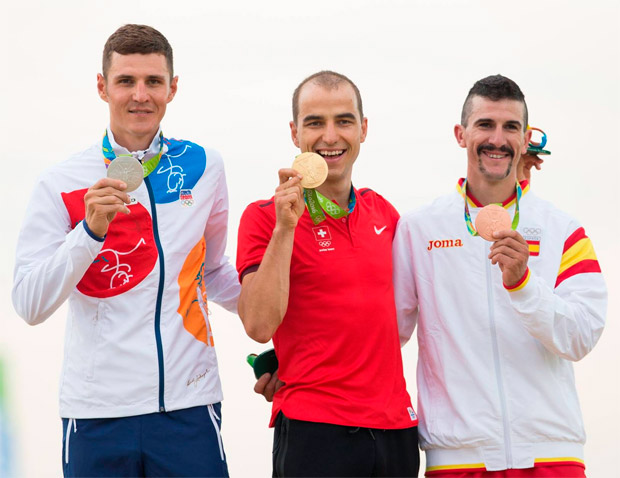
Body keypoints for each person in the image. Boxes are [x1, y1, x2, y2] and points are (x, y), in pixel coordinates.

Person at [12, 24, 239, 477]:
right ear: (102, 87)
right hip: (97, 413)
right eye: (126, 81)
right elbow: (29, 303)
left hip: (189, 405)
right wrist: (88, 232)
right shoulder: (60, 182)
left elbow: (211, 272)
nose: (141, 95)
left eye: (154, 81)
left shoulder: (204, 166)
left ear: (173, 88)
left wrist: (286, 325)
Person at [393, 75, 607, 477]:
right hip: (457, 458)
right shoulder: (419, 229)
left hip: (552, 457)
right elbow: (385, 332)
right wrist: (295, 360)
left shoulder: (563, 228)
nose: (498, 138)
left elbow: (582, 336)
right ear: (461, 134)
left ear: (525, 139)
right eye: (485, 125)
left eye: (511, 127)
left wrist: (524, 286)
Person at [236, 71, 420, 477]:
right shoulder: (265, 217)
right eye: (315, 122)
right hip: (314, 430)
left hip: (396, 428)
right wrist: (286, 229)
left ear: (363, 128)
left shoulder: (384, 214)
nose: (330, 136)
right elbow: (259, 323)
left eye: (344, 120)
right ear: (294, 132)